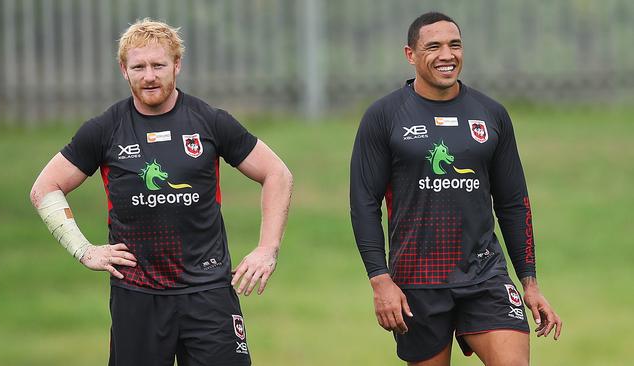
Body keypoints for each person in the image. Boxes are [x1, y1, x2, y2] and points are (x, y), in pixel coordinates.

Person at [30, 18, 293, 366]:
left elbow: (277, 173)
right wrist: (83, 250)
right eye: (138, 67)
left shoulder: (209, 122)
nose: (149, 76)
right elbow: (45, 187)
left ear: (177, 65)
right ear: (124, 70)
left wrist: (267, 249)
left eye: (159, 65)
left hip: (208, 292)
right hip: (137, 296)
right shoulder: (105, 129)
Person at [349, 12, 562, 366]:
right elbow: (363, 203)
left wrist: (530, 282)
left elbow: (513, 203)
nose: (447, 55)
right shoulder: (384, 116)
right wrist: (380, 281)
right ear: (410, 54)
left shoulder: (491, 114)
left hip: (485, 274)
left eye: (455, 45)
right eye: (433, 46)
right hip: (417, 280)